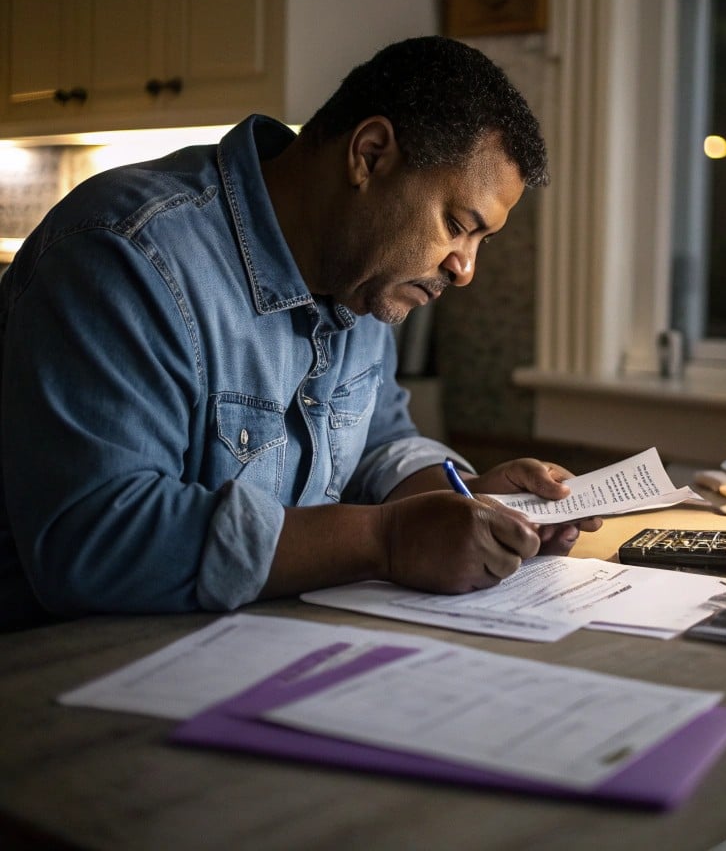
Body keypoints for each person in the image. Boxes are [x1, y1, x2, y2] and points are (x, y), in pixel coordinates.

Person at [0, 36, 601, 630]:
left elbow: (378, 445)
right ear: (369, 155)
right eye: (456, 225)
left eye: (480, 242)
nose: (464, 270)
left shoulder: (362, 279)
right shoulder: (126, 256)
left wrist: (466, 496)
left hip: (252, 648)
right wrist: (384, 539)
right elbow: (94, 540)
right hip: (64, 675)